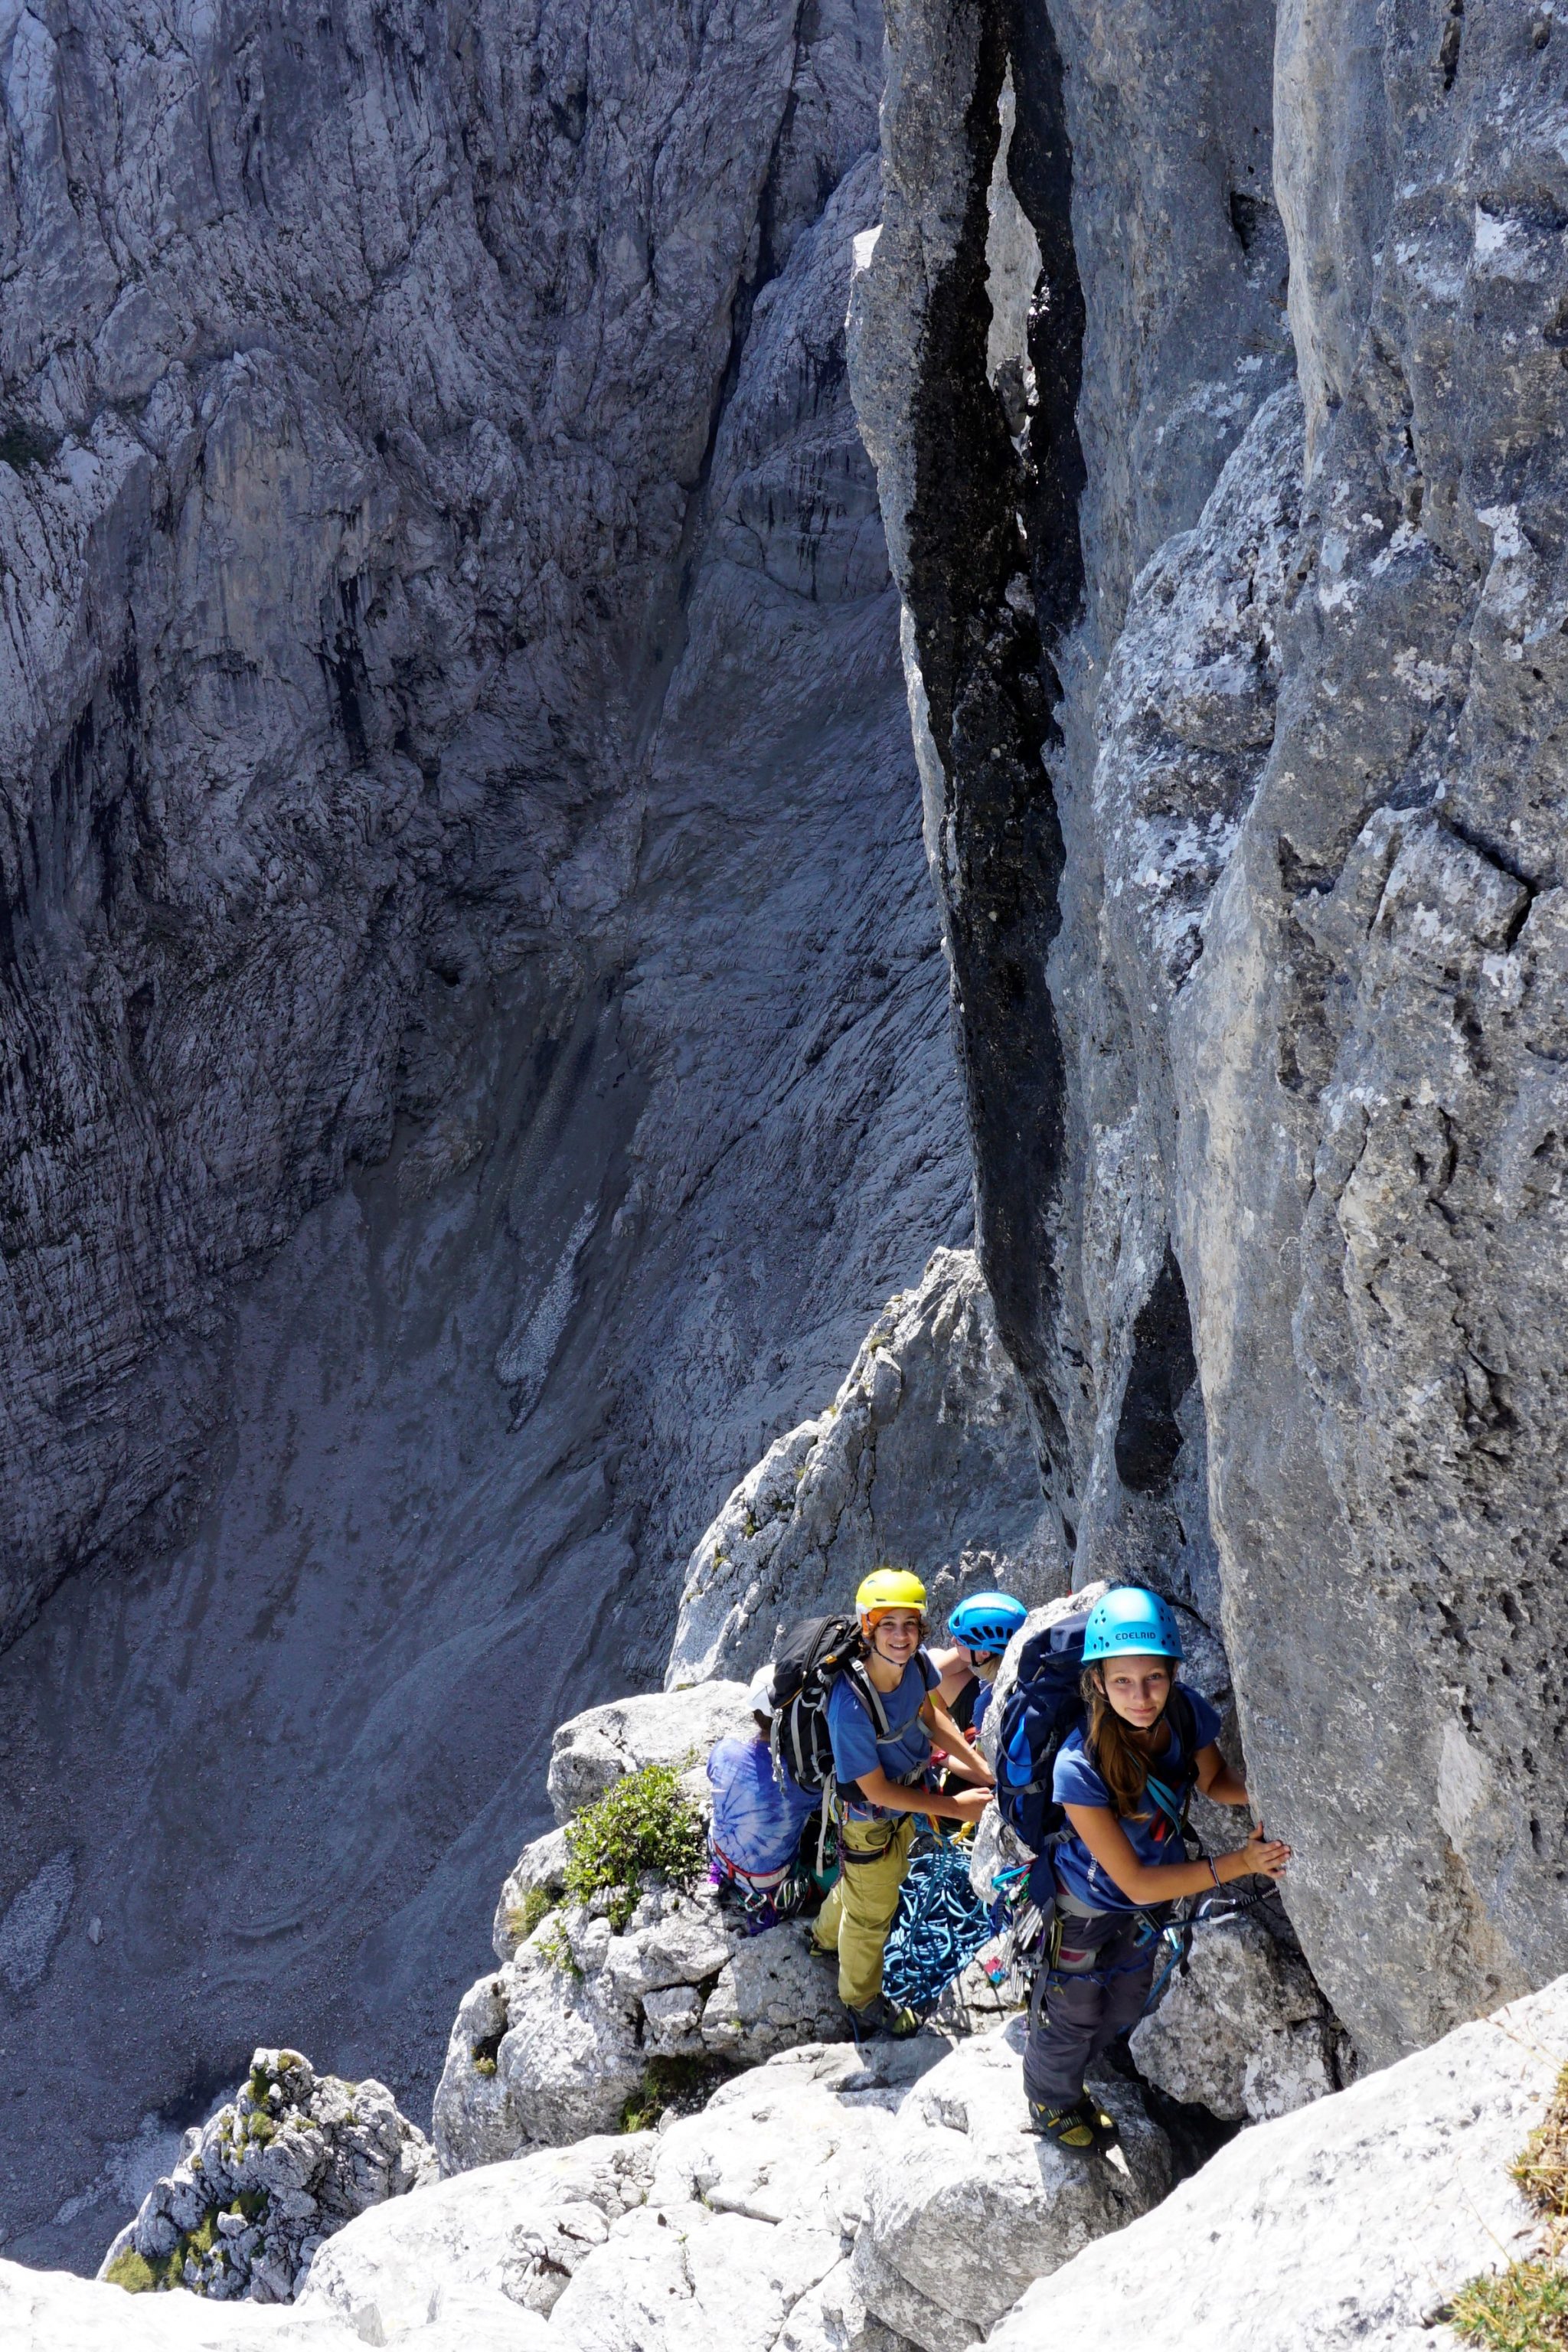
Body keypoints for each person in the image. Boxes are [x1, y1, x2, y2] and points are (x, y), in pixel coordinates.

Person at [1022, 1585, 1291, 2154]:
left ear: (1171, 1675)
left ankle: (1077, 2066)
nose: (1141, 1696)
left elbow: (1215, 1782)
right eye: (1122, 1681)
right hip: (1090, 1904)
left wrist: (1274, 1793)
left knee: (1123, 2002)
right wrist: (1238, 1864)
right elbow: (1133, 1880)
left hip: (1148, 1901)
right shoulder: (1078, 1766)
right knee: (1073, 2012)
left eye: (1154, 1679)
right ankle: (1049, 2096)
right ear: (1097, 1682)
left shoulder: (1184, 1710)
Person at [810, 1568, 995, 2039]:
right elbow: (873, 1789)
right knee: (873, 1914)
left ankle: (822, 1938)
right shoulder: (849, 1703)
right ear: (867, 1628)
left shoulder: (914, 1666)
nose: (900, 1635)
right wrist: (955, 1808)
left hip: (902, 1808)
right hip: (869, 1819)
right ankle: (861, 1999)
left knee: (867, 1884)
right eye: (887, 1624)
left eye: (909, 1624)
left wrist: (977, 1765)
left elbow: (930, 1715)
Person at [707, 1668, 822, 1932]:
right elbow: (820, 1804)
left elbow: (713, 1774)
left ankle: (717, 1874)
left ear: (754, 1714)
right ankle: (771, 1908)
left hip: (721, 1854)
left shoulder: (726, 1751)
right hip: (766, 1881)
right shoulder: (802, 1779)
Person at [931, 1590, 1029, 1740]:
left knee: (933, 1667)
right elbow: (939, 1668)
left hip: (984, 1733)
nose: (952, 1641)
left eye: (960, 1640)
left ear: (984, 1653)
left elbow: (982, 1762)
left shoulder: (986, 1706)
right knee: (934, 1659)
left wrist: (941, 1757)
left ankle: (937, 1745)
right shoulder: (1026, 1657)